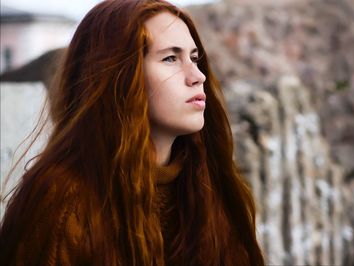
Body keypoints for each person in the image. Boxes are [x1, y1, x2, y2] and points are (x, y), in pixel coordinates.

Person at [0, 0, 265, 265]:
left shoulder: (206, 185)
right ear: (119, 76)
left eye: (194, 58)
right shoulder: (64, 204)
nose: (197, 75)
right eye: (170, 58)